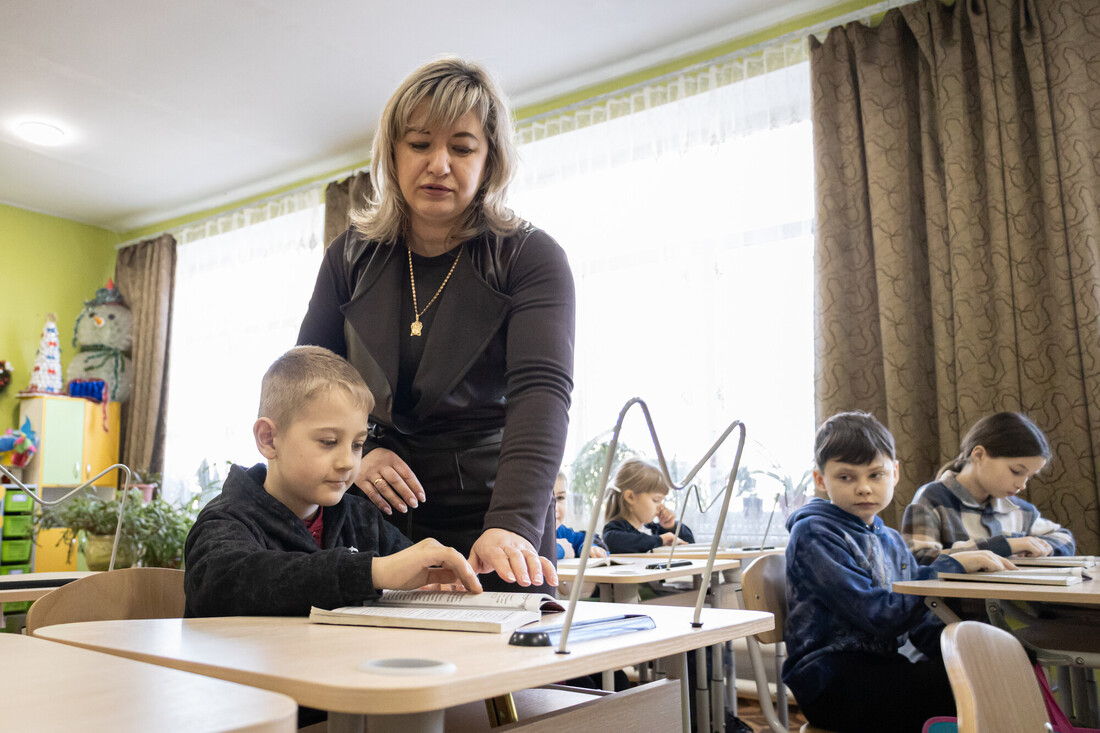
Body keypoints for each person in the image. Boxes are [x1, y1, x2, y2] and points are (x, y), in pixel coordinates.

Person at [297, 56, 571, 593]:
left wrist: (511, 524)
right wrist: (358, 457)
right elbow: (311, 381)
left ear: (489, 160)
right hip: (374, 512)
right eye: (420, 143)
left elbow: (541, 394)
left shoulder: (531, 257)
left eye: (462, 147)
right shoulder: (348, 256)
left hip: (495, 515)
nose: (439, 163)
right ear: (393, 154)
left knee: (501, 674)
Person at [183, 346, 483, 618]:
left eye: (357, 445)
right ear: (269, 438)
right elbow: (224, 585)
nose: (348, 462)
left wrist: (435, 576)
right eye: (328, 442)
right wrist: (371, 571)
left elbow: (410, 573)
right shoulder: (224, 521)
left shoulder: (361, 518)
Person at [784, 411, 1015, 732]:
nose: (863, 488)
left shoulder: (889, 538)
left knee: (994, 667)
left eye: (875, 475)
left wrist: (970, 650)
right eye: (846, 477)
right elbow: (881, 615)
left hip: (881, 670)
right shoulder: (814, 533)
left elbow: (919, 622)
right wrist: (948, 567)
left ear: (894, 473)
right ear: (821, 480)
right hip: (831, 682)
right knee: (973, 688)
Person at [903, 411, 1075, 564]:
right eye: (1016, 471)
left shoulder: (1020, 511)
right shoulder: (932, 500)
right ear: (979, 455)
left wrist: (1043, 547)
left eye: (1029, 476)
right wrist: (1005, 546)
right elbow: (919, 559)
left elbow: (1065, 538)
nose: (1022, 485)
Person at [601, 458, 694, 553]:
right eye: (656, 500)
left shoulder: (653, 529)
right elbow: (612, 542)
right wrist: (660, 540)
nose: (661, 506)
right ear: (630, 497)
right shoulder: (615, 531)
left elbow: (689, 543)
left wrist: (671, 527)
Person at [553, 471, 607, 560]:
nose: (555, 508)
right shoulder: (523, 536)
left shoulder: (561, 532)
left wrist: (589, 548)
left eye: (560, 498)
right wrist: (557, 548)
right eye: (546, 499)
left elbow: (587, 538)